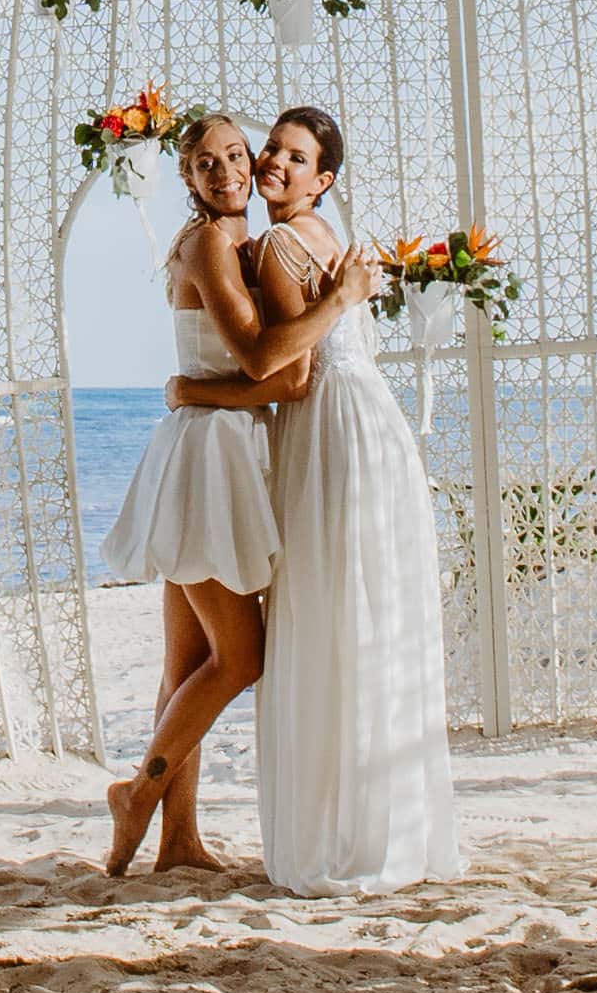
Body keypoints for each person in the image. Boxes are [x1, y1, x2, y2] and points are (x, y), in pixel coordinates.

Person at [96, 115, 370, 873]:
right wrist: (338, 300)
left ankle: (177, 839)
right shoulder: (214, 242)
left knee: (185, 666)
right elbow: (271, 370)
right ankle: (139, 794)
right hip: (208, 459)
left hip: (207, 448)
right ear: (185, 178)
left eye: (233, 156)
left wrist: (190, 385)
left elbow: (246, 369)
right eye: (203, 163)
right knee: (240, 658)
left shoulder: (236, 244)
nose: (226, 172)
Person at [234, 103, 463, 893]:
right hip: (359, 425)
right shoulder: (306, 242)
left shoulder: (278, 243)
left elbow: (277, 362)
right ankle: (373, 822)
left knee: (343, 611)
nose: (274, 163)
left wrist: (337, 300)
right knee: (358, 610)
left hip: (339, 431)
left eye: (295, 158)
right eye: (271, 150)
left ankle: (356, 827)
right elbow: (299, 346)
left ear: (323, 180)